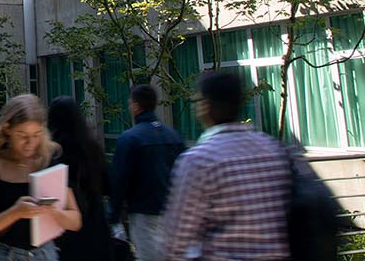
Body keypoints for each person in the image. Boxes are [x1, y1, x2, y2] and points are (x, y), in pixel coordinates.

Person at [162, 70, 291, 261]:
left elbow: (176, 240)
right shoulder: (273, 148)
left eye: (197, 101)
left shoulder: (199, 160)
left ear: (206, 106)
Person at [0, 94, 82, 261]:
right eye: (22, 135)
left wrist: (54, 212)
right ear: (7, 129)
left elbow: (75, 220)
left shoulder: (48, 160)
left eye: (36, 135)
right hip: (6, 255)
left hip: (46, 253)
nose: (30, 143)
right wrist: (15, 212)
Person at [108, 83, 184, 261]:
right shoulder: (173, 136)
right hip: (174, 214)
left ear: (135, 106)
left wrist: (113, 215)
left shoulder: (130, 138)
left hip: (144, 213)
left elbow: (120, 180)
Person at [47, 96, 112, 261]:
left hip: (66, 223)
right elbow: (108, 185)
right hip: (96, 221)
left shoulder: (54, 151)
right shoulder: (92, 146)